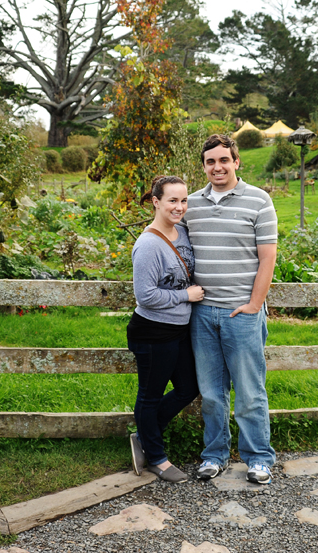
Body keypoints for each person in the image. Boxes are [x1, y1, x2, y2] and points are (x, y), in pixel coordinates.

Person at [184, 134, 278, 485]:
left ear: (236, 161)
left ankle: (258, 458)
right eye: (210, 161)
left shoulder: (258, 200)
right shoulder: (191, 204)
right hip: (203, 314)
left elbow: (268, 257)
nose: (217, 167)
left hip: (243, 313)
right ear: (204, 166)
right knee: (210, 392)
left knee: (250, 392)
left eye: (224, 160)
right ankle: (214, 455)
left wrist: (254, 305)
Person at [127, 175, 204, 483]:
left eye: (184, 200)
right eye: (172, 200)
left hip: (178, 331)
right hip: (152, 332)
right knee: (150, 394)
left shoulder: (183, 232)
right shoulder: (147, 245)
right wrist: (186, 295)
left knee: (189, 387)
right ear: (156, 202)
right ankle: (157, 458)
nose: (179, 207)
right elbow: (144, 295)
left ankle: (145, 435)